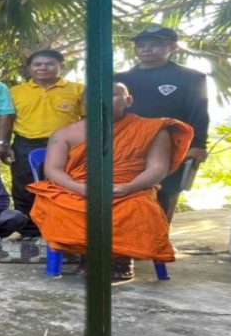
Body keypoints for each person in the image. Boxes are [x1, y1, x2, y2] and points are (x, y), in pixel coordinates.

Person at [27, 83, 193, 281]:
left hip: (131, 188)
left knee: (136, 208)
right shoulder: (65, 133)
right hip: (75, 189)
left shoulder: (153, 130)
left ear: (128, 101)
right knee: (61, 207)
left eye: (111, 95)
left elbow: (158, 168)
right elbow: (53, 169)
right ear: (84, 104)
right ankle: (88, 255)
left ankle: (121, 257)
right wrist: (79, 188)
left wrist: (128, 187)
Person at [115, 26, 209, 221]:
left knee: (164, 197)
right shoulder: (119, 80)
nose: (146, 49)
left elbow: (198, 112)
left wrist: (198, 145)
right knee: (122, 196)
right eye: (141, 45)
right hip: (126, 147)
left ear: (173, 47)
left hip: (173, 148)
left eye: (155, 44)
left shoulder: (191, 78)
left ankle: (158, 239)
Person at [8, 49, 85, 229]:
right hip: (25, 143)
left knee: (65, 185)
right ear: (29, 68)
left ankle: (63, 226)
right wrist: (4, 144)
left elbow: (86, 120)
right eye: (37, 64)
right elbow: (7, 119)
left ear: (61, 66)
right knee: (24, 186)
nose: (43, 68)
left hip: (66, 145)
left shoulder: (78, 89)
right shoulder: (15, 91)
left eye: (49, 64)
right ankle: (27, 229)